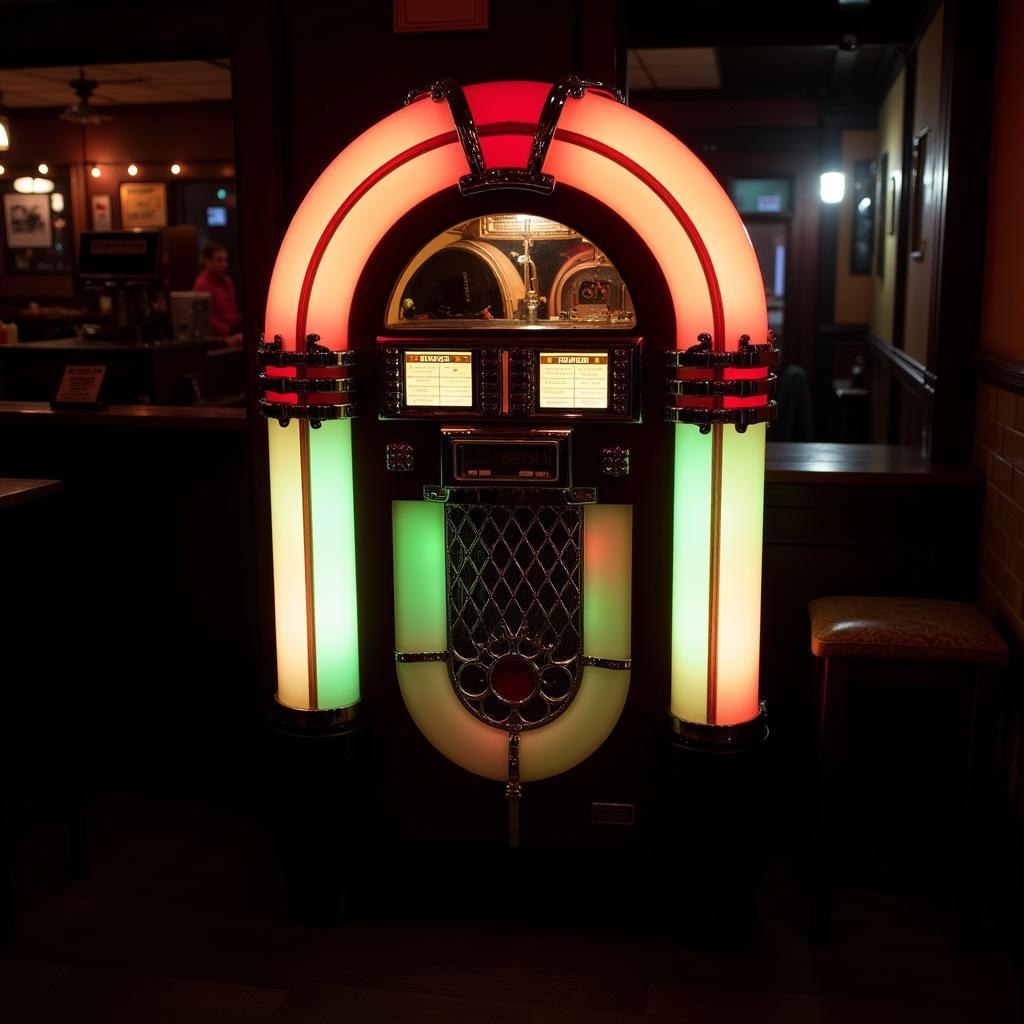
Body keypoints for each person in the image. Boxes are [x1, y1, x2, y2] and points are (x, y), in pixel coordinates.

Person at [193, 241, 242, 345]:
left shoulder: (227, 281)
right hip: (218, 340)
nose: (224, 264)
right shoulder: (202, 285)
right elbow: (205, 322)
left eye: (225, 260)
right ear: (207, 261)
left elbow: (233, 312)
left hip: (233, 332)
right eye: (219, 260)